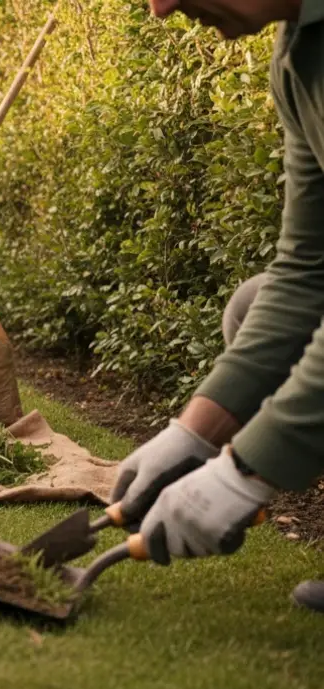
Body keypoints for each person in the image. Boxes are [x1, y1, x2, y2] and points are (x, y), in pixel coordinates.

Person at [115, 0, 324, 611]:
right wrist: (194, 436)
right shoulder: (297, 59)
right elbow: (306, 268)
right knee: (253, 305)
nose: (160, 9)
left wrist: (245, 469)